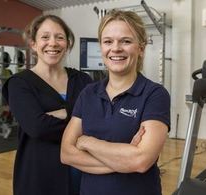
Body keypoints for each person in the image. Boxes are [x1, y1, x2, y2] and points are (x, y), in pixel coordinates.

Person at [60, 9, 170, 195]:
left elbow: (141, 161)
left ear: (141, 48)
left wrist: (87, 142)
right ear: (101, 47)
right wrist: (124, 158)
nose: (116, 48)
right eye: (108, 41)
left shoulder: (154, 94)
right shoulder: (88, 94)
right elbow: (66, 154)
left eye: (126, 41)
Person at [2, 15, 92, 195]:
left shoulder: (83, 80)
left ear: (68, 43)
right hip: (40, 178)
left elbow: (98, 119)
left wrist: (57, 114)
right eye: (45, 37)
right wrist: (76, 115)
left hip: (83, 175)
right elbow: (37, 127)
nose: (53, 43)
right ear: (33, 44)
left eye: (59, 37)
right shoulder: (19, 83)